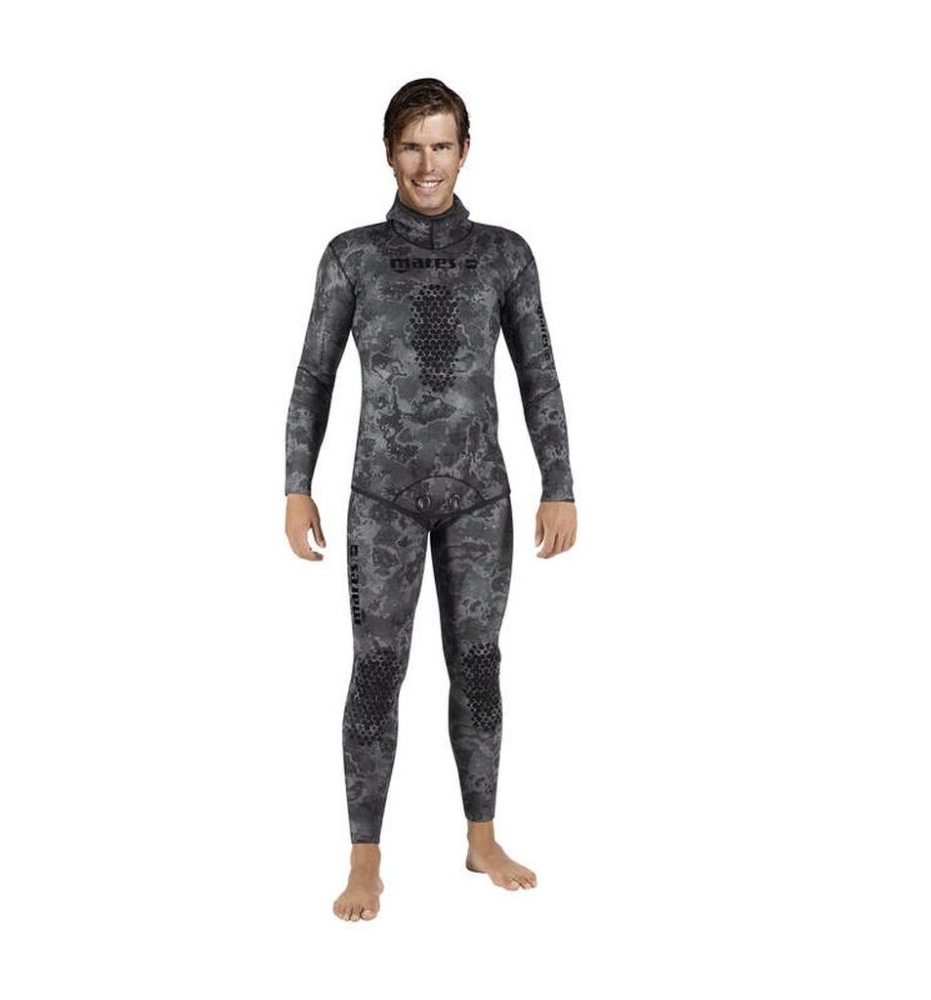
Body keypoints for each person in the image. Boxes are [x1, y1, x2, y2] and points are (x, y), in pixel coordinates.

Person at [284, 78, 577, 922]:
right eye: (412, 146)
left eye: (441, 145)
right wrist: (296, 485)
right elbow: (313, 377)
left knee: (479, 664)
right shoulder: (352, 255)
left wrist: (559, 484)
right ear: (389, 153)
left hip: (479, 495)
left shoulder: (505, 254)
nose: (427, 164)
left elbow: (539, 374)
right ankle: (365, 860)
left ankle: (482, 837)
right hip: (382, 497)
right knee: (377, 670)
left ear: (464, 151)